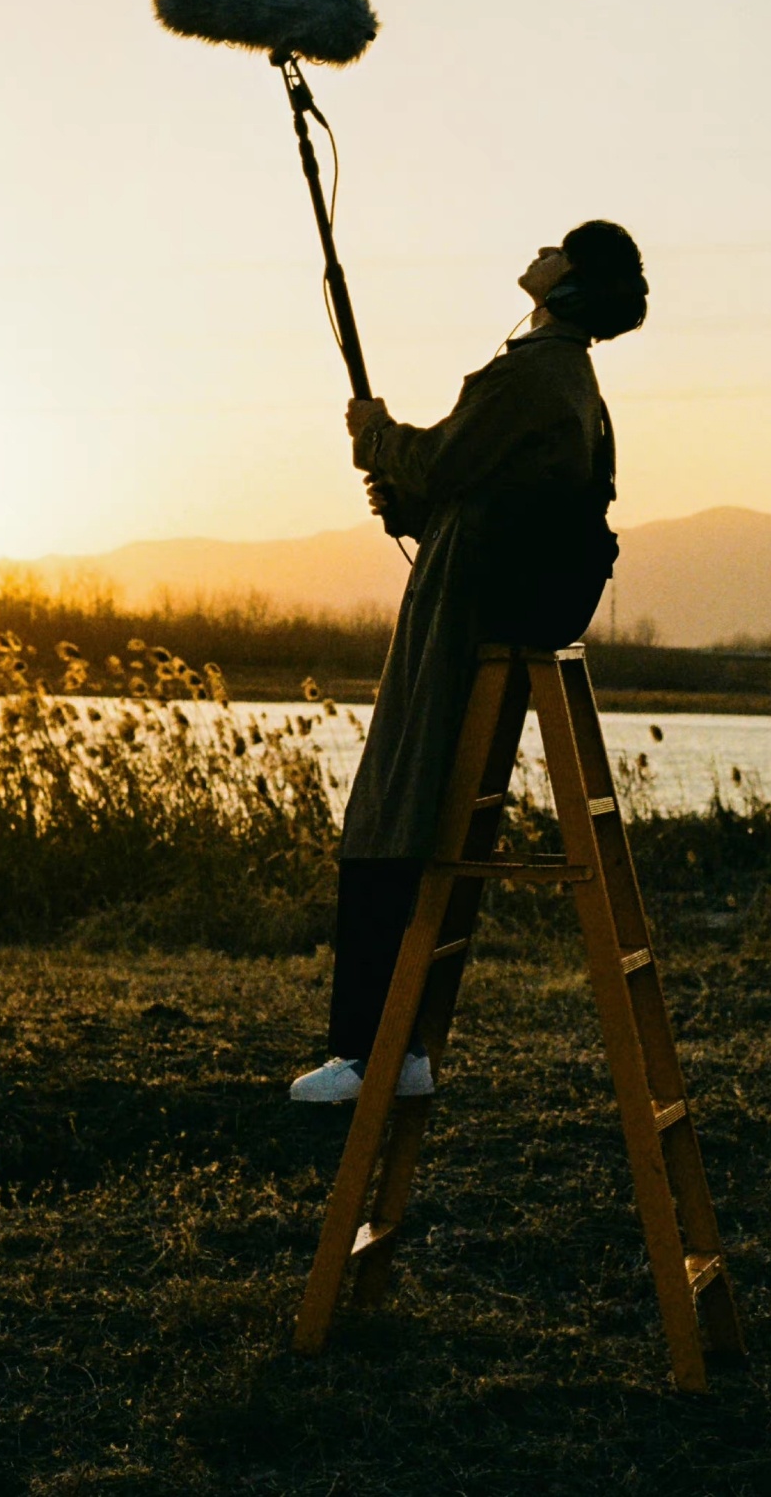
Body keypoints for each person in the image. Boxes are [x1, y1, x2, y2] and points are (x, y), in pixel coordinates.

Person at [290, 219, 648, 1102]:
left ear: (567, 282)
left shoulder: (532, 375)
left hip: (461, 615)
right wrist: (412, 503)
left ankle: (370, 1052)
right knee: (415, 812)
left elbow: (444, 460)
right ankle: (397, 1046)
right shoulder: (568, 383)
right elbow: (491, 494)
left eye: (559, 246)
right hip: (485, 595)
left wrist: (378, 438)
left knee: (390, 814)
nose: (541, 250)